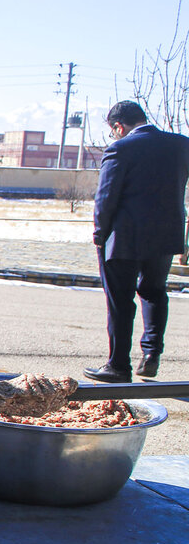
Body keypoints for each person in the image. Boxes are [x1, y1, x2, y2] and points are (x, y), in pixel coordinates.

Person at [85, 100, 189, 383]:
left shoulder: (120, 148)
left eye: (113, 131)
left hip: (124, 237)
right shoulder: (181, 145)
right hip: (166, 235)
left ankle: (118, 366)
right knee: (154, 292)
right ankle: (151, 355)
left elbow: (106, 197)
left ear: (119, 126)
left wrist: (99, 233)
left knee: (120, 300)